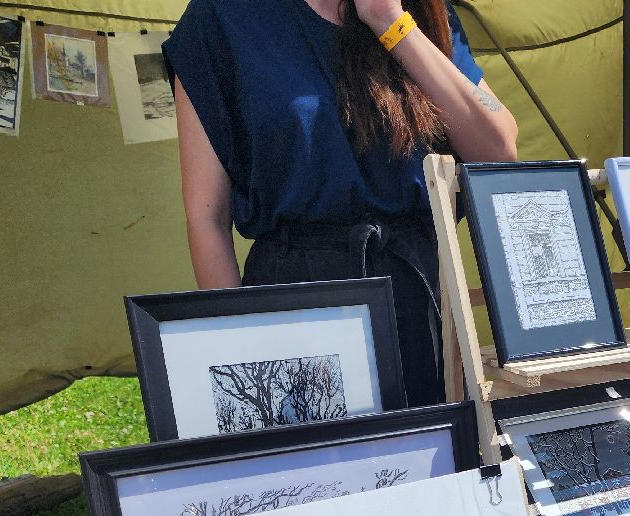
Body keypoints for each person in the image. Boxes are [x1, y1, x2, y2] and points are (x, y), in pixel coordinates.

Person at [164, 0, 519, 407]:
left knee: (435, 462)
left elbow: (498, 146)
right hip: (296, 299)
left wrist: (389, 22)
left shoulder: (419, 13)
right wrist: (241, 351)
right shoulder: (220, 19)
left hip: (419, 295)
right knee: (315, 468)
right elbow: (207, 217)